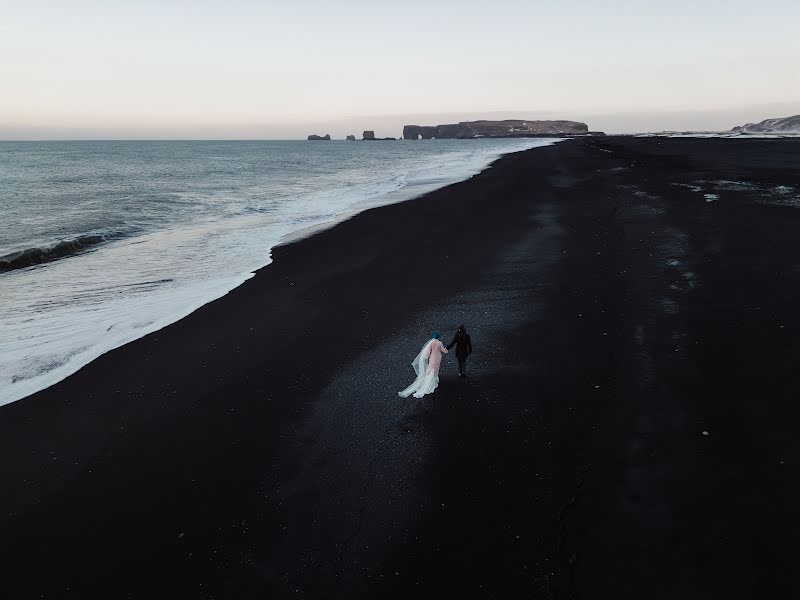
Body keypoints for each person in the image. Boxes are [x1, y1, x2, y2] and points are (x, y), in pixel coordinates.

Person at [398, 332, 448, 399]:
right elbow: (443, 350)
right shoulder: (439, 343)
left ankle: (430, 380)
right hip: (437, 358)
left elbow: (427, 353)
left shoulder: (431, 343)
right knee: (435, 369)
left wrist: (425, 357)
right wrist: (446, 350)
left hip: (432, 358)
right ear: (438, 337)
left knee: (431, 368)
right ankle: (432, 382)